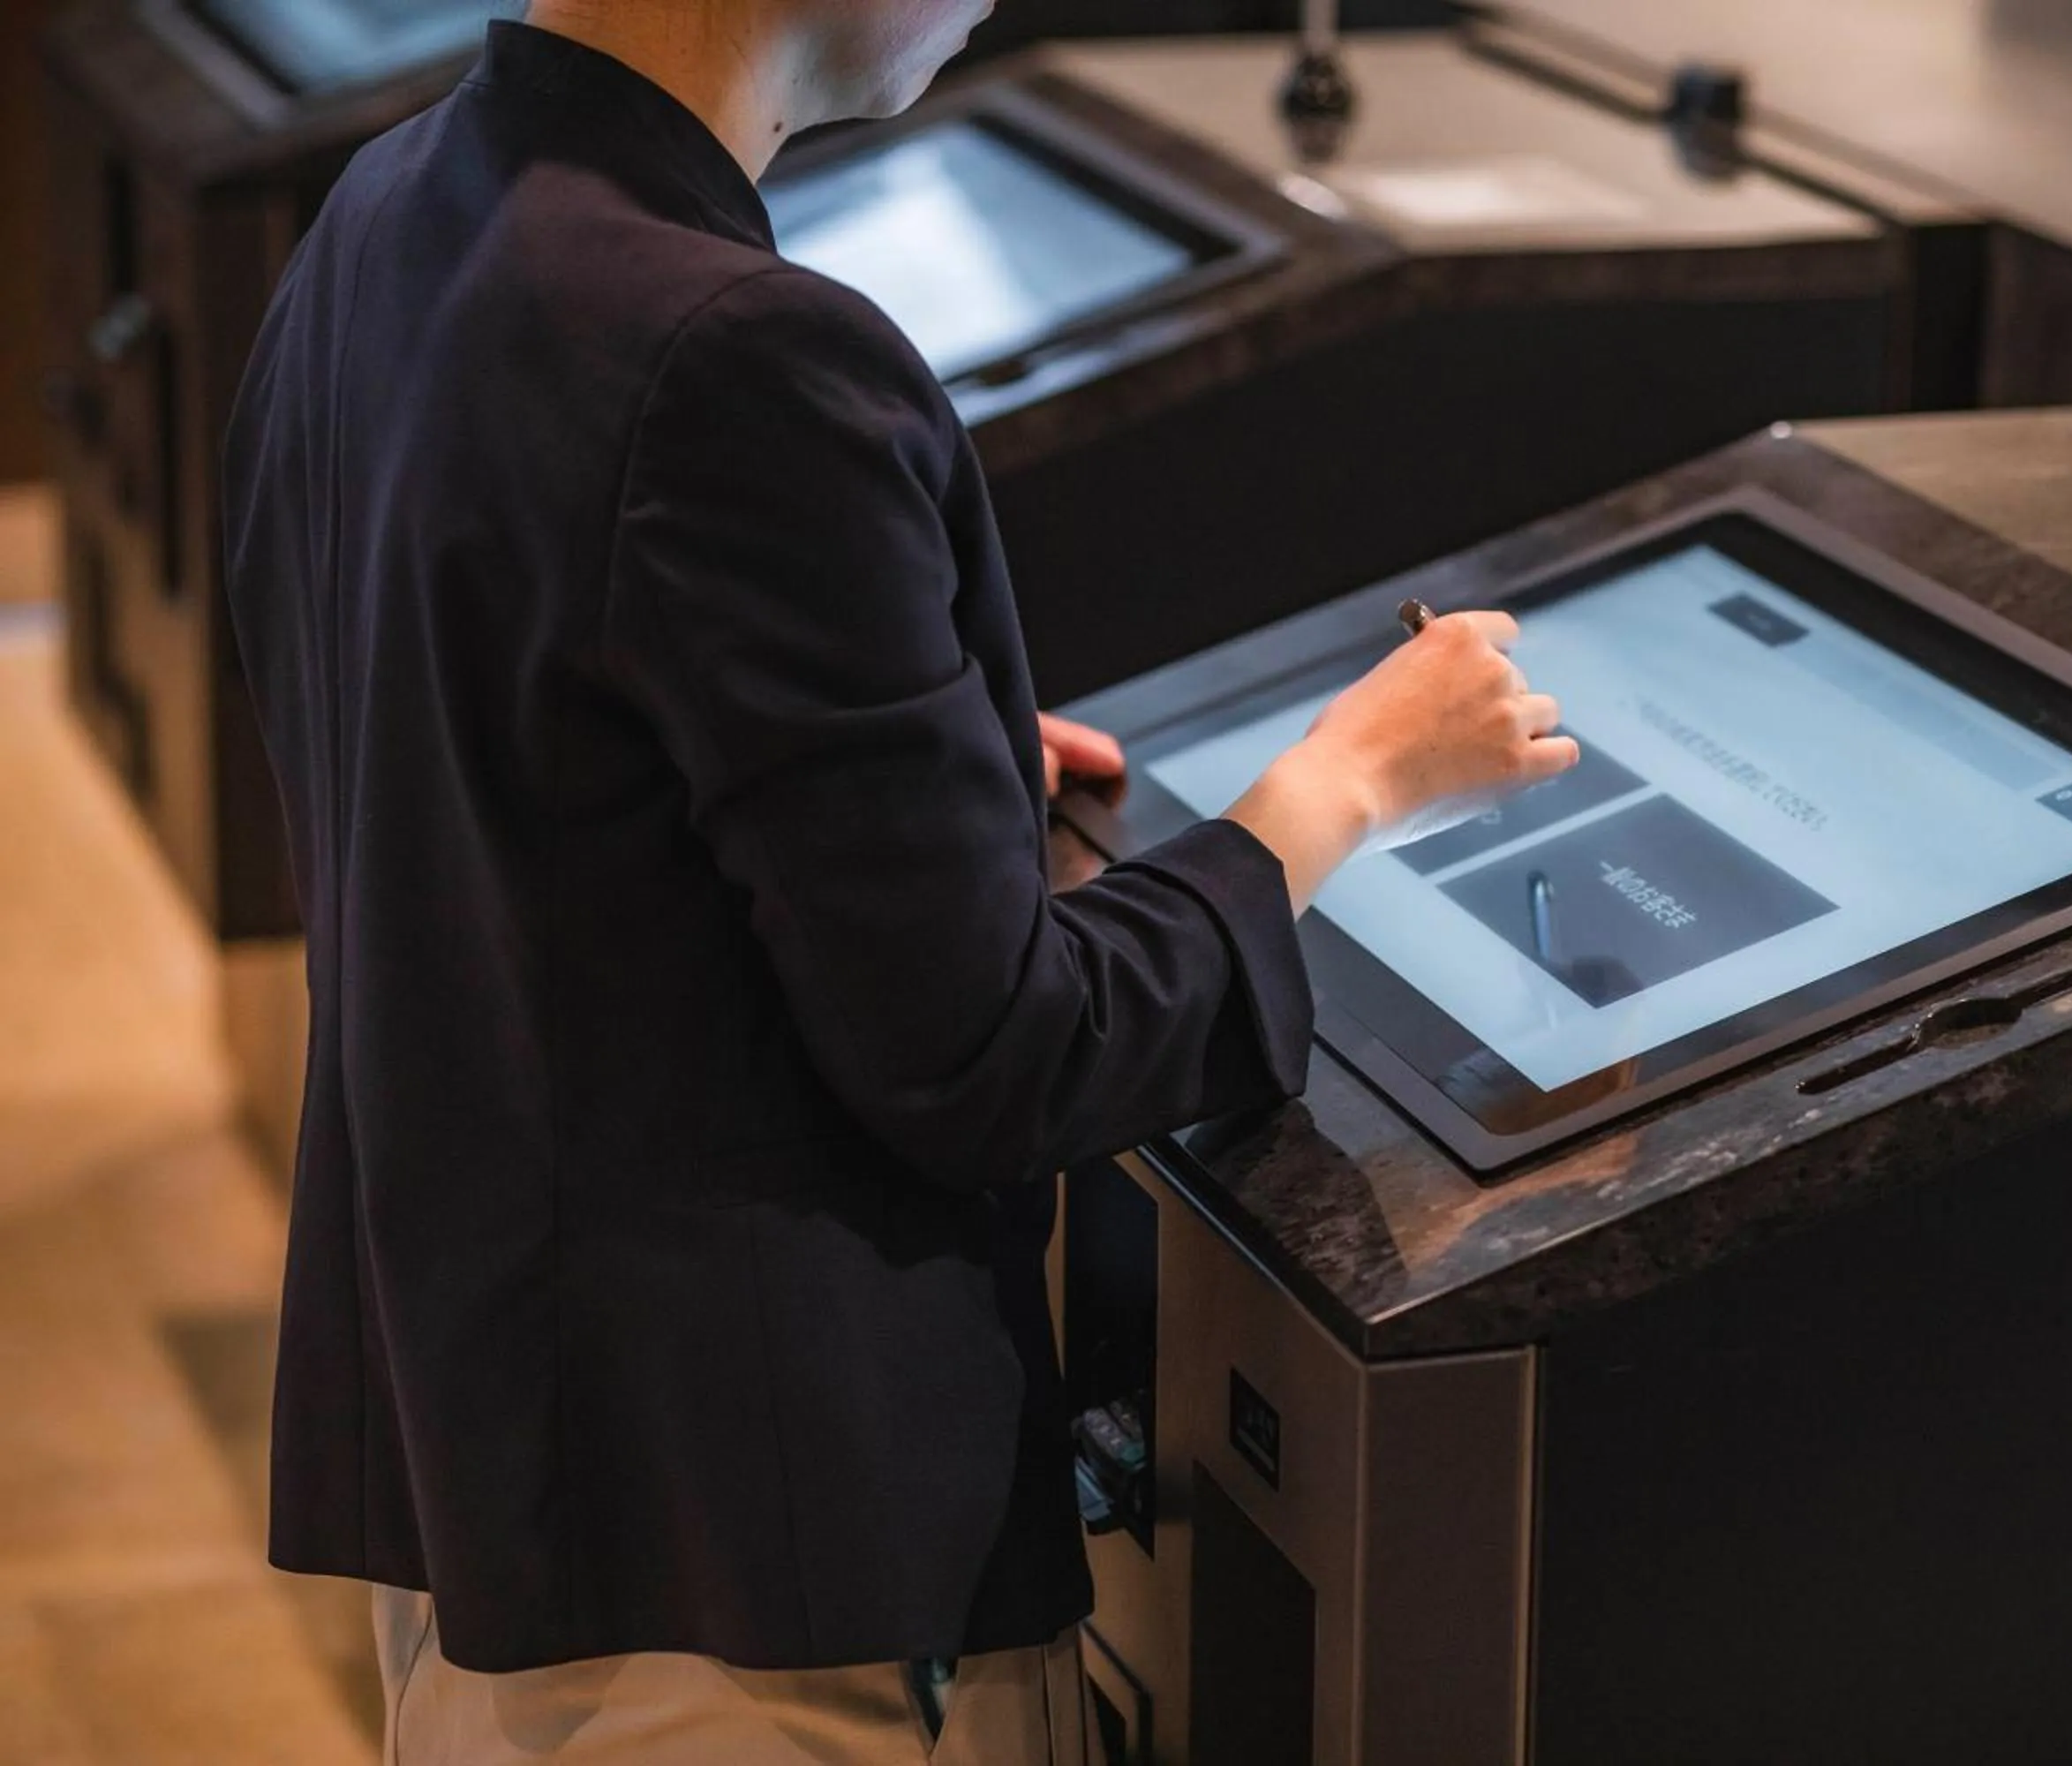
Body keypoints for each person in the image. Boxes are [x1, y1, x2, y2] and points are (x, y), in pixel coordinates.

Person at [220, 0, 1576, 1758]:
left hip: (513, 1490)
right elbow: (1005, 1056)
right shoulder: (737, 352)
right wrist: (1355, 776)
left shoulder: (389, 208)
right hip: (745, 1612)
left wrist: (882, 787)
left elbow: (488, 761)